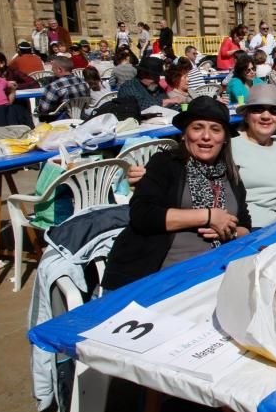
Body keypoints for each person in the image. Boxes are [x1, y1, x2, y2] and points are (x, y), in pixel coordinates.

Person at [103, 97, 251, 290]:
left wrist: (229, 231)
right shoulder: (165, 164)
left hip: (214, 273)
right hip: (159, 276)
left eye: (215, 129)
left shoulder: (230, 175)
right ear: (184, 135)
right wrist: (208, 216)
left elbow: (245, 225)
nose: (206, 136)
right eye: (197, 127)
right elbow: (143, 215)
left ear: (224, 139)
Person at [232, 85, 276, 227]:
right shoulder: (229, 147)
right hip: (240, 230)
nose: (266, 116)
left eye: (274, 111)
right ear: (246, 115)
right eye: (258, 109)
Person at [36, 55, 91, 121]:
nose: (52, 70)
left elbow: (44, 109)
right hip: (80, 119)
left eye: (53, 69)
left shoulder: (54, 86)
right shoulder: (84, 82)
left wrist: (36, 109)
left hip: (60, 121)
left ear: (59, 69)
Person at [118, 56, 182, 110]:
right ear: (143, 74)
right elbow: (140, 105)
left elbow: (164, 100)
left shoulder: (154, 87)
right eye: (155, 76)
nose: (158, 79)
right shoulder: (129, 87)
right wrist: (168, 101)